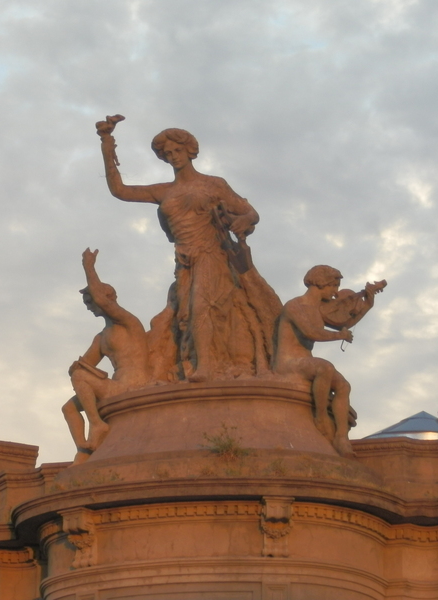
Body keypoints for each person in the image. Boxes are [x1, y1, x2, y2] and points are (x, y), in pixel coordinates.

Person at [96, 116, 281, 382]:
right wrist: (106, 143)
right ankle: (192, 363)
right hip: (184, 261)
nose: (173, 156)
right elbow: (120, 190)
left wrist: (242, 221)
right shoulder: (164, 191)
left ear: (189, 151)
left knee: (200, 305)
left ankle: (206, 367)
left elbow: (250, 213)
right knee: (182, 313)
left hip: (212, 254)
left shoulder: (213, 185)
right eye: (167, 153)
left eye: (177, 151)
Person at [274, 266, 383, 457]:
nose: (336, 293)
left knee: (343, 385)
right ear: (321, 283)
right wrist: (339, 335)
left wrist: (368, 304)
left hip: (306, 363)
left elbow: (345, 322)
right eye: (334, 286)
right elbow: (311, 332)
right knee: (325, 367)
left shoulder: (319, 310)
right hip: (288, 363)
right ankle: (321, 417)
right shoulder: (295, 306)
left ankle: (341, 438)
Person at [63, 248, 151, 463]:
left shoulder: (129, 323)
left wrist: (89, 268)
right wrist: (76, 367)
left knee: (80, 378)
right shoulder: (101, 337)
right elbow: (85, 365)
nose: (90, 308)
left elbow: (103, 301)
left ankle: (97, 424)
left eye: (90, 303)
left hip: (135, 383)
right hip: (115, 386)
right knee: (69, 408)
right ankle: (84, 449)